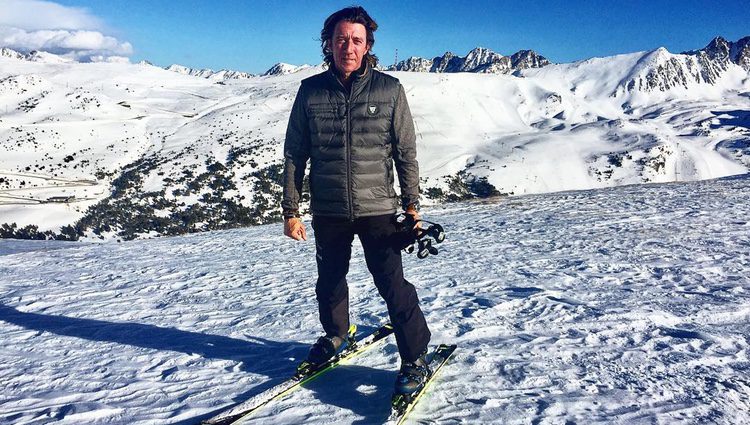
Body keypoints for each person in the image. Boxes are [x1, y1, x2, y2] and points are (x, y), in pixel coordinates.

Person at [280, 6, 432, 394]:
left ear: (368, 46)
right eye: (341, 39)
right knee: (329, 280)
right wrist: (291, 211)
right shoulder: (310, 91)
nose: (349, 46)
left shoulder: (389, 89)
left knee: (392, 284)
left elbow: (405, 152)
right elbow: (296, 153)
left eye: (357, 40)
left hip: (378, 208)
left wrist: (412, 207)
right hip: (329, 209)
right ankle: (336, 334)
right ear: (328, 44)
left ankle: (415, 357)